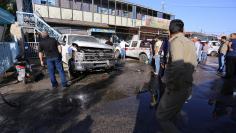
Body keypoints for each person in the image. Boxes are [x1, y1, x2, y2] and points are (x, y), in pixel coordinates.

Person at [156, 19, 197, 133]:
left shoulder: (176, 42)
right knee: (173, 113)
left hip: (177, 87)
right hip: (187, 84)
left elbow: (178, 66)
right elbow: (194, 63)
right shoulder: (189, 42)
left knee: (161, 116)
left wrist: (173, 86)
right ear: (183, 29)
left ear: (170, 30)